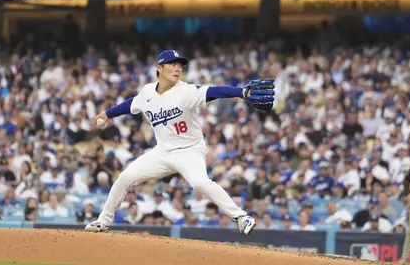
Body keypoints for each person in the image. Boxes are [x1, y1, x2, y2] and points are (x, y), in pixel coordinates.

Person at [84, 49, 274, 235]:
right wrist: (108, 114)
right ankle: (103, 221)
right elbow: (131, 104)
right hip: (162, 152)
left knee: (200, 183)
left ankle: (241, 217)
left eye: (180, 66)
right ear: (159, 68)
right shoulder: (147, 92)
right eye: (172, 64)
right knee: (124, 178)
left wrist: (242, 92)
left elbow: (214, 91)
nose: (177, 69)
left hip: (189, 151)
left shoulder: (186, 91)